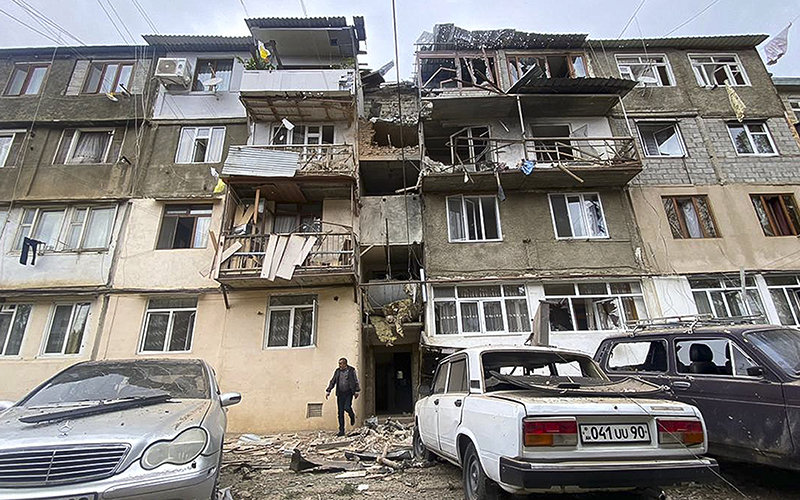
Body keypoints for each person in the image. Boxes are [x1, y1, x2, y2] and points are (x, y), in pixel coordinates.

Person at [326, 357, 360, 436]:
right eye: (339, 363)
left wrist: (357, 391)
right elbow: (333, 380)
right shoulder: (337, 371)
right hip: (340, 393)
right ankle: (341, 431)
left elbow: (355, 380)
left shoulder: (351, 370)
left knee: (347, 407)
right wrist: (328, 390)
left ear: (345, 364)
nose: (339, 365)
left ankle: (352, 415)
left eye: (341, 363)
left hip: (348, 393)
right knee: (340, 413)